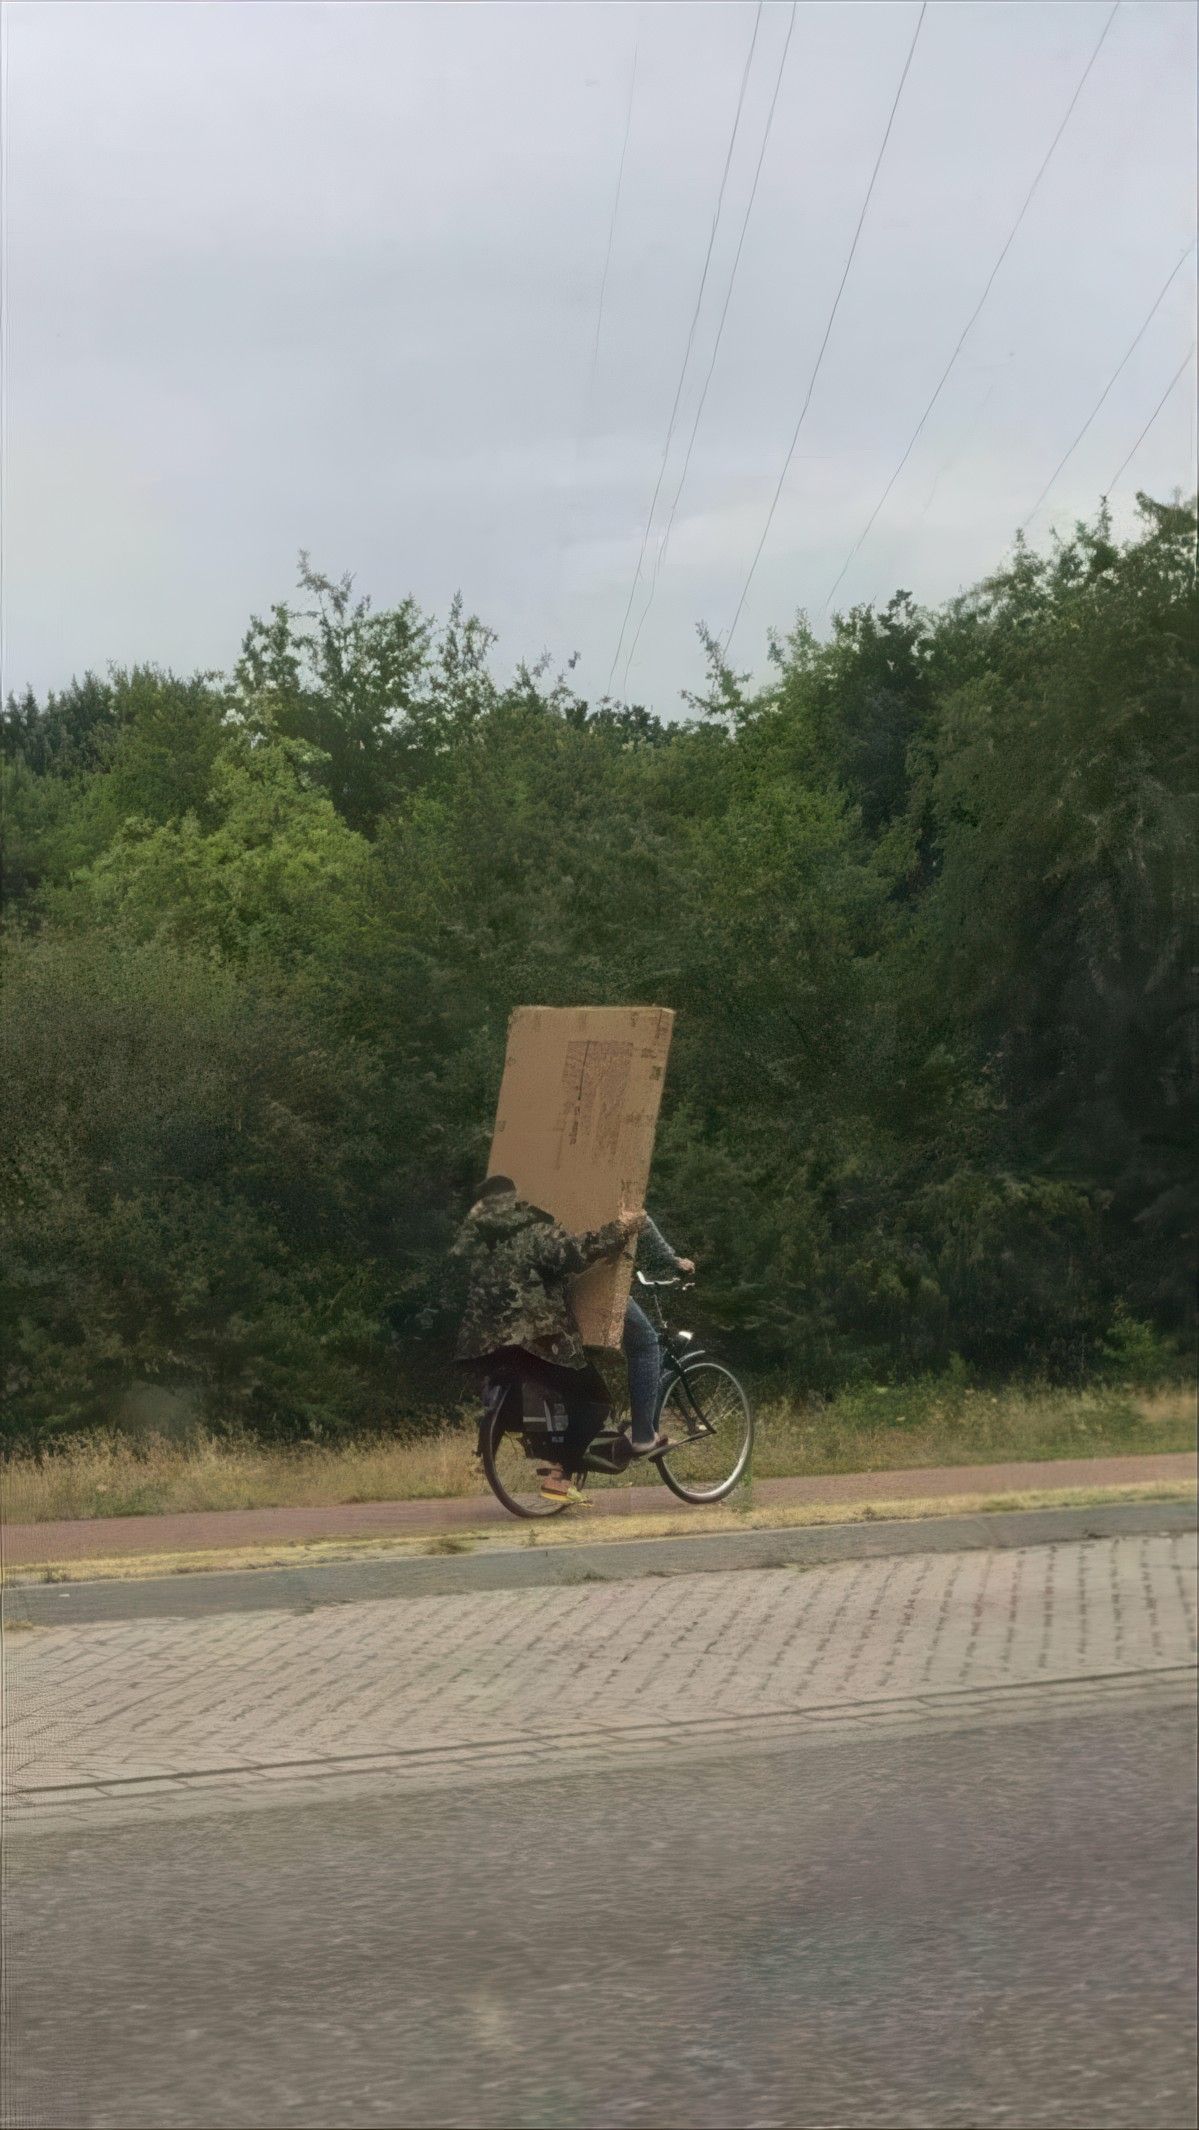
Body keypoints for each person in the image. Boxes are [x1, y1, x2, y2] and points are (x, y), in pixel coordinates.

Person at [451, 1174, 645, 1503]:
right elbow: (580, 1251)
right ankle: (560, 1475)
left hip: (484, 1347)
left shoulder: (474, 1244)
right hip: (534, 1341)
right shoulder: (532, 1232)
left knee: (516, 1383)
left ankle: (486, 1451)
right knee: (596, 1400)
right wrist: (622, 1227)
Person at [623, 1214, 695, 1456]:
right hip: (601, 1284)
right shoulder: (615, 1184)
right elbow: (639, 1218)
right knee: (646, 1343)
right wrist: (673, 1260)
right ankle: (643, 1436)